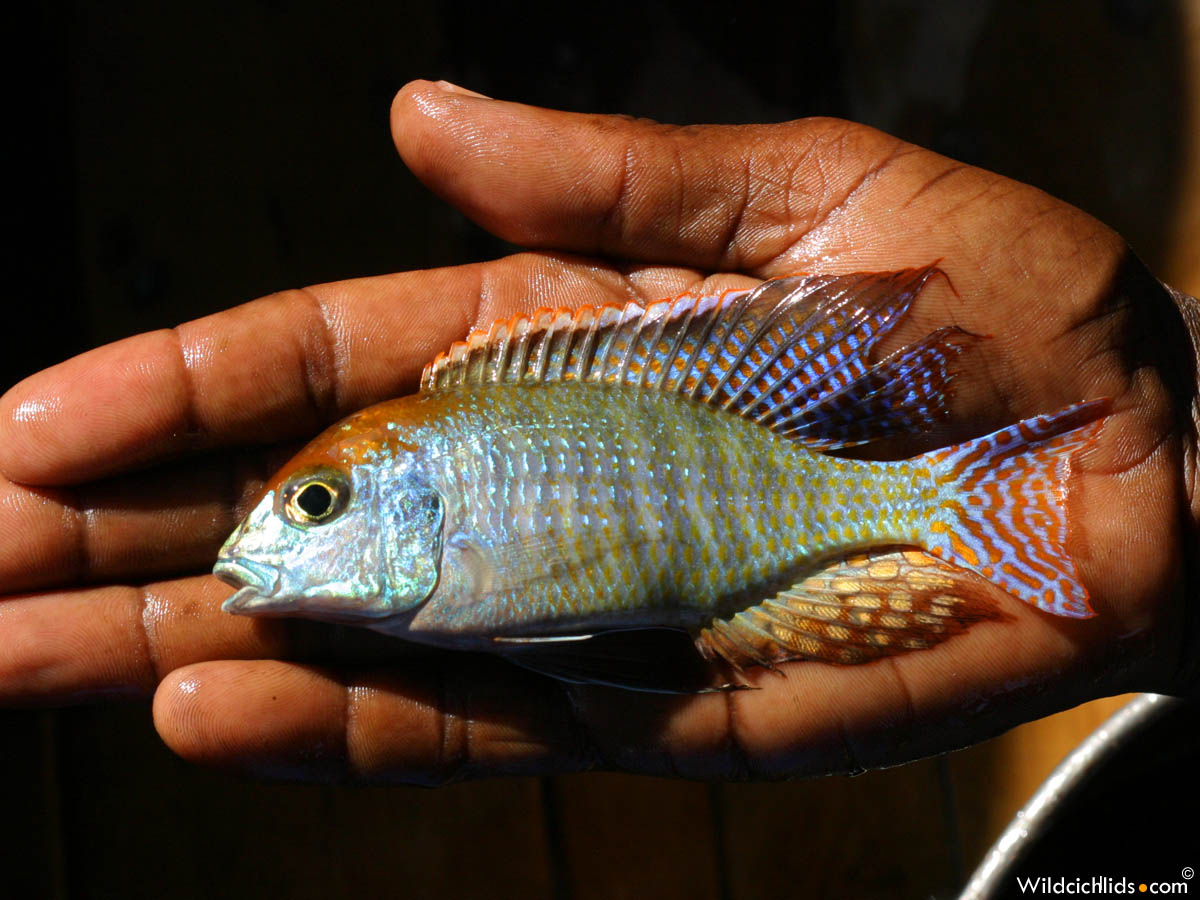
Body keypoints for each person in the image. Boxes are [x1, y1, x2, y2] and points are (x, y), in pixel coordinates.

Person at [0, 80, 1195, 783]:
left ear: (402, 490)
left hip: (809, 501)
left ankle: (951, 507)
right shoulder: (416, 556)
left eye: (317, 502)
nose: (283, 530)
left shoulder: (446, 482)